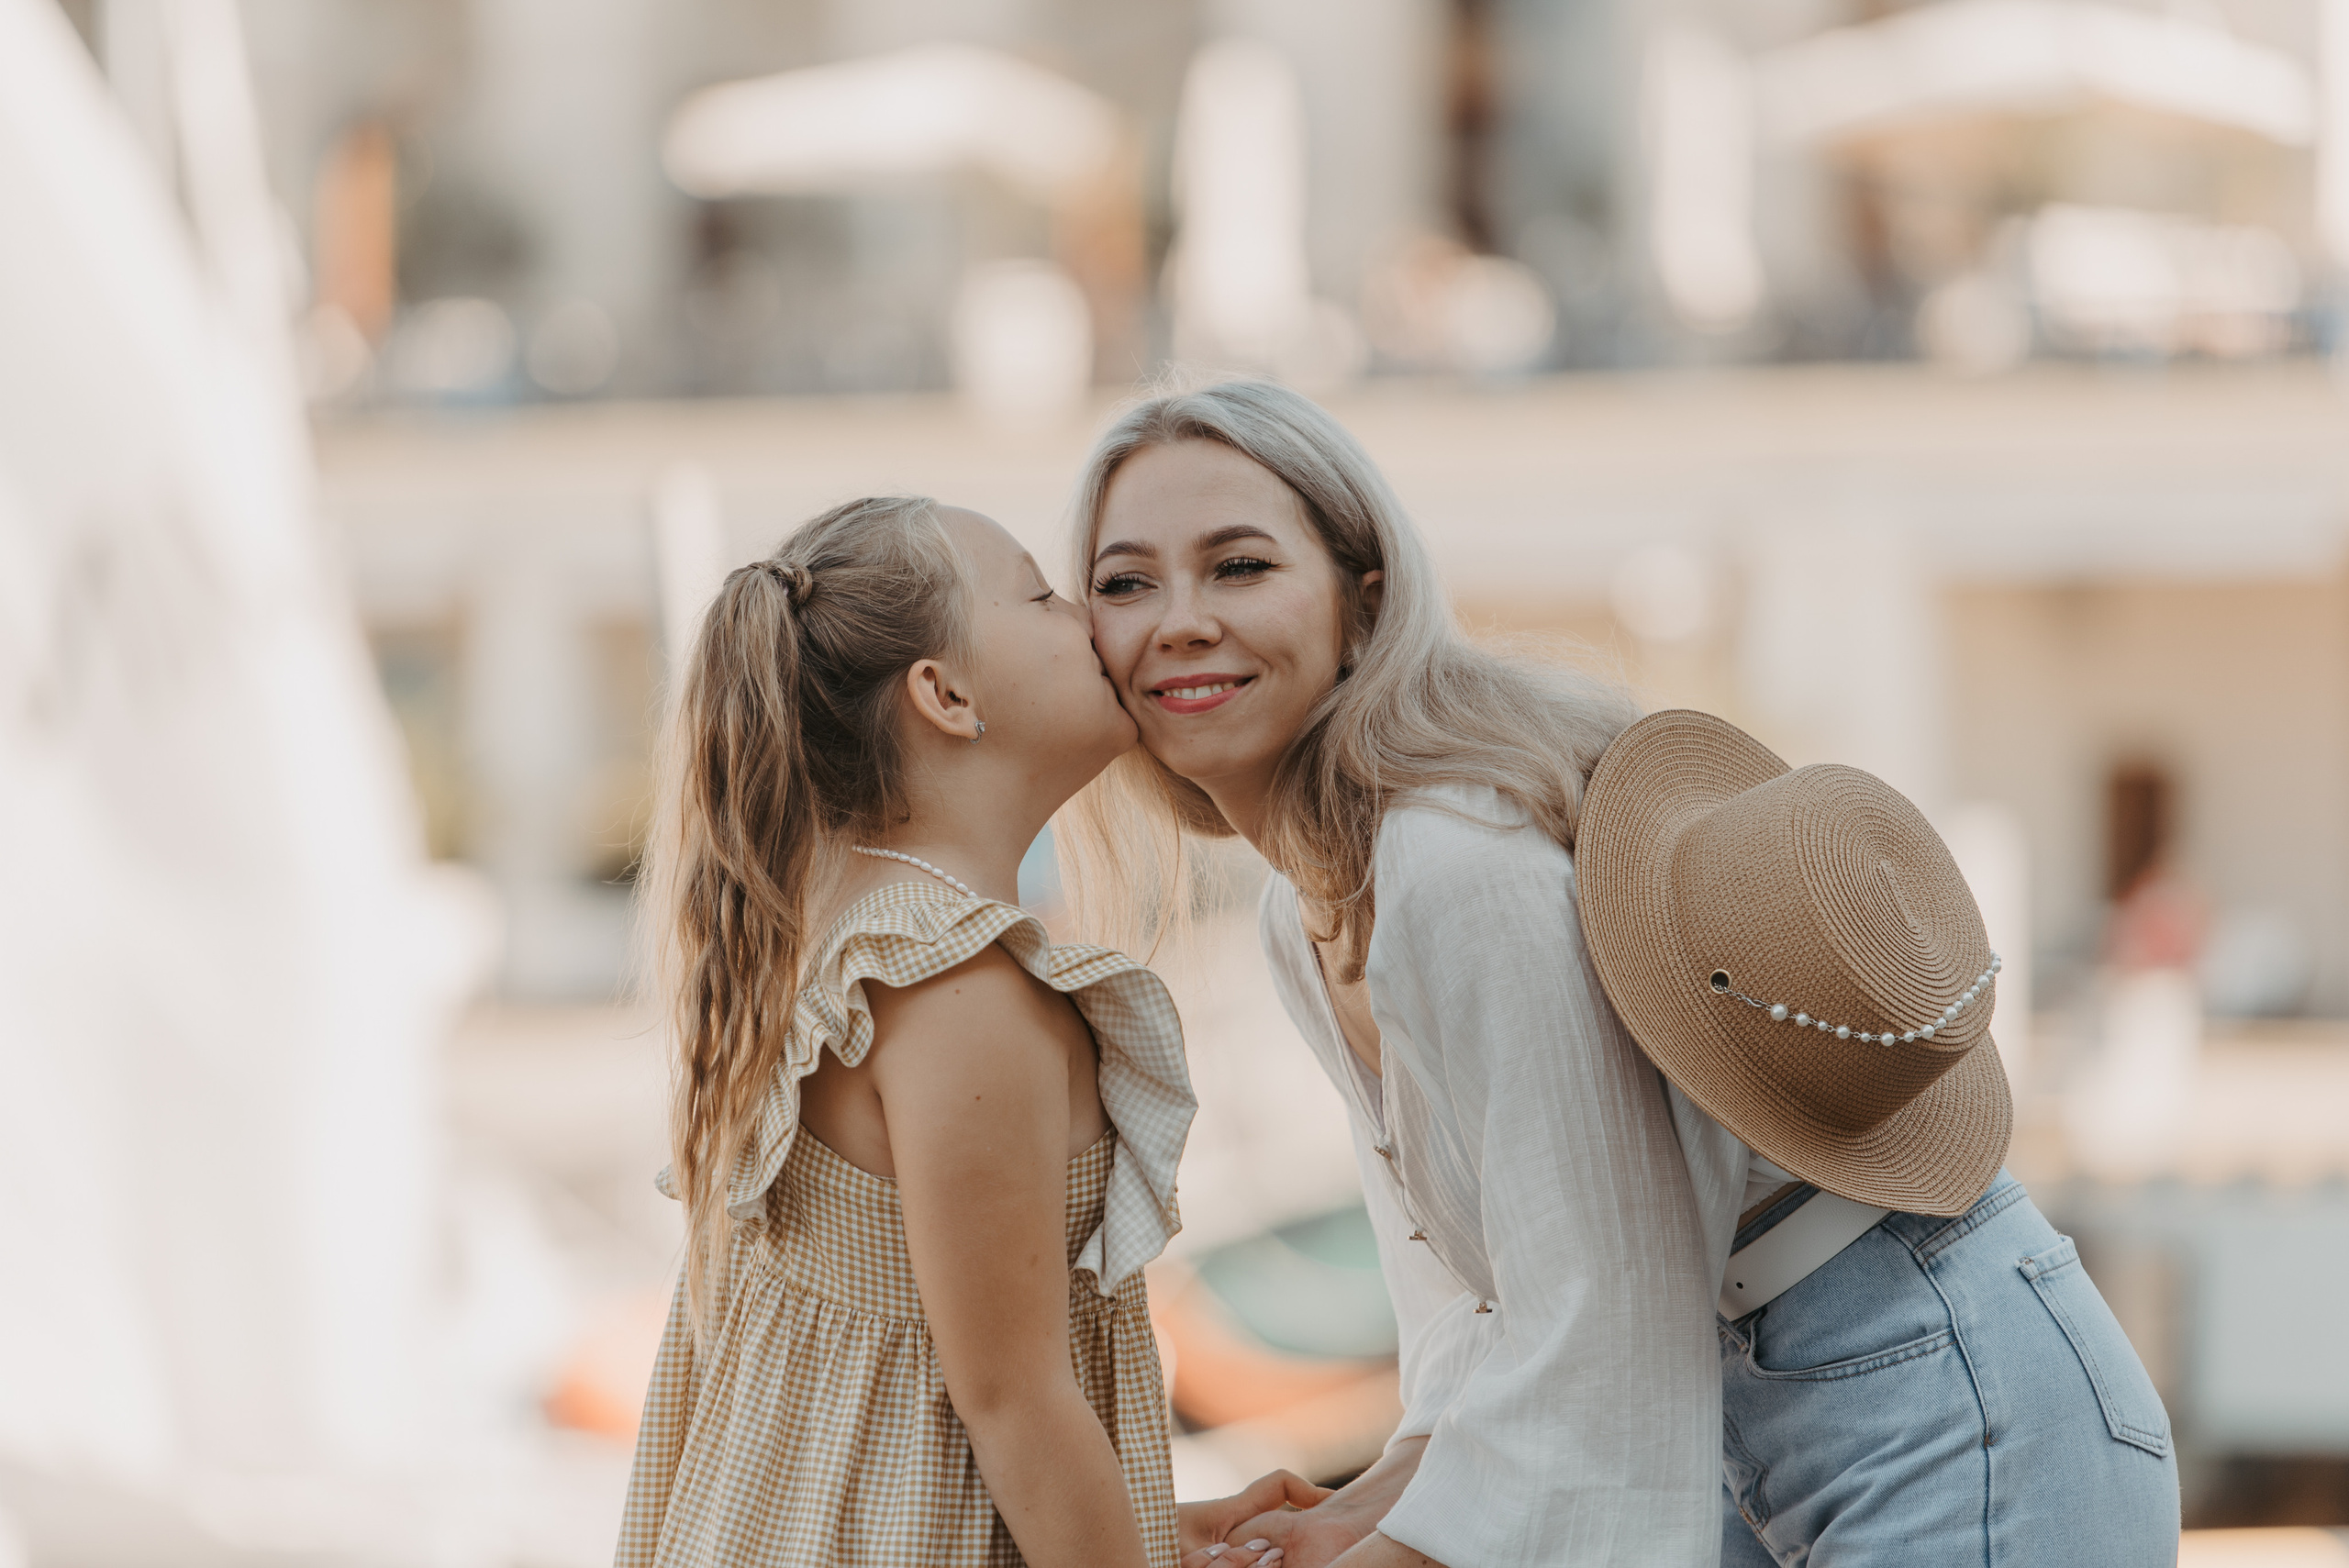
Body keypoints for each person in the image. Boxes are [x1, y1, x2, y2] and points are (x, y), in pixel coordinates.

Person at [1065, 381, 2179, 1568]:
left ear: (1363, 602)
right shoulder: (1303, 911)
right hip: (1750, 1411)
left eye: (1238, 566)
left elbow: (1602, 1321)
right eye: (1125, 583)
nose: (1179, 621)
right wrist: (1365, 1507)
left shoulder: (1452, 856)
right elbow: (1475, 1305)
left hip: (1948, 1403)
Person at [617, 495, 1312, 1566]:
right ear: (945, 695)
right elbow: (1015, 1405)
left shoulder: (842, 937)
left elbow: (894, 1419)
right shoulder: (957, 985)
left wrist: (1144, 1529)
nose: (1087, 615)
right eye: (1040, 595)